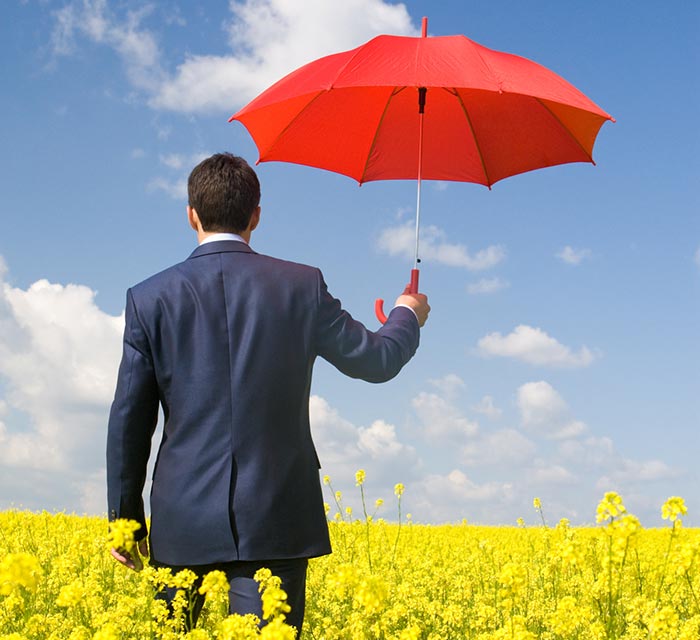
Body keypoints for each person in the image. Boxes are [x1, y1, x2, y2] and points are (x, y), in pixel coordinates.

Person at [106, 153, 430, 635]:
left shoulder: (150, 297)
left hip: (181, 520)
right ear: (257, 214)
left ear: (190, 214)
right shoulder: (301, 286)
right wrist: (406, 313)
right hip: (276, 516)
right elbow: (376, 361)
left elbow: (130, 420)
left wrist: (126, 520)